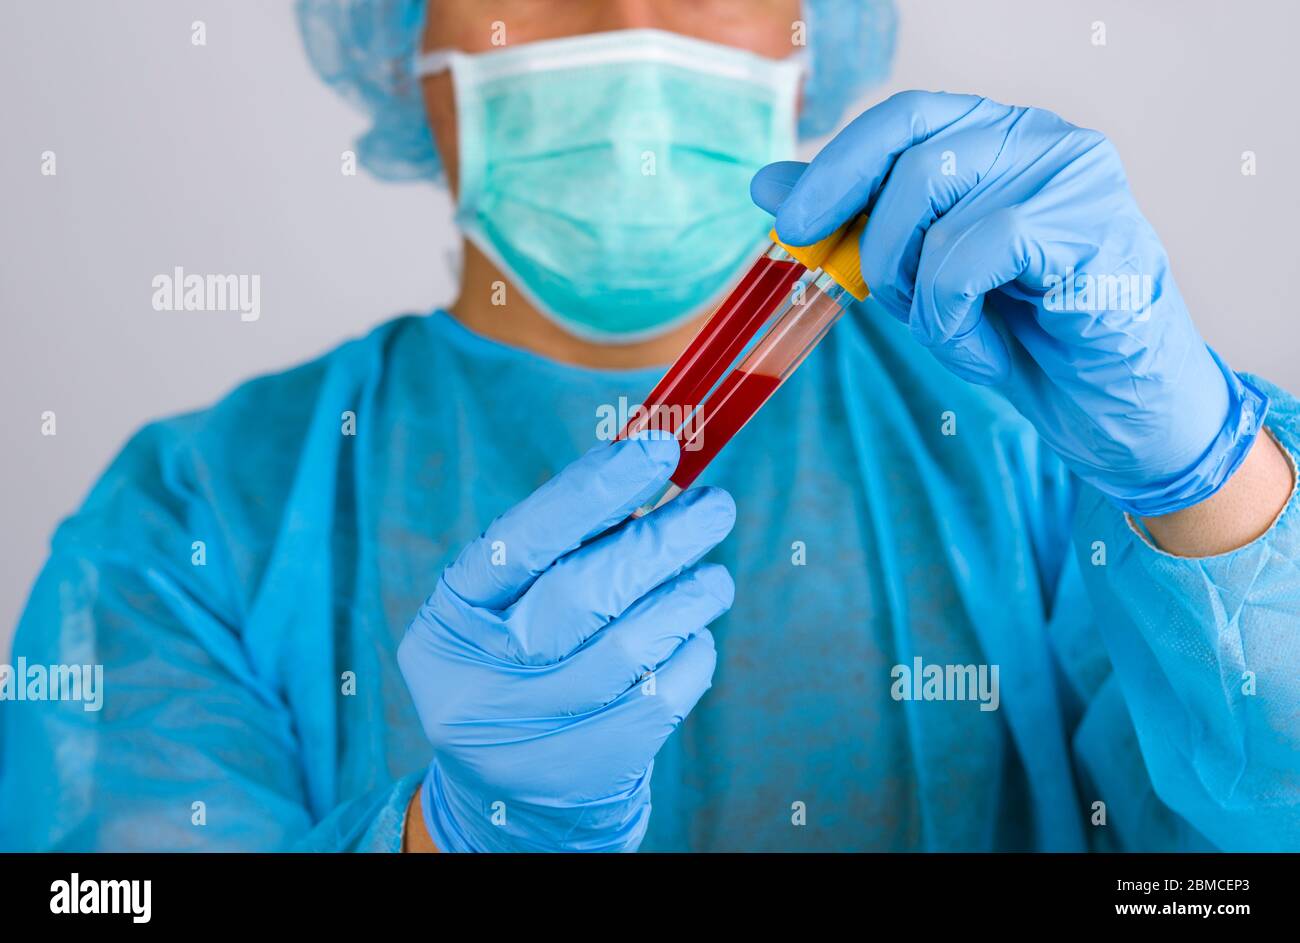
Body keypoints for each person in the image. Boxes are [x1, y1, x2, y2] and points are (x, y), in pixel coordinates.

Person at [2, 0, 1297, 853]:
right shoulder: (194, 525)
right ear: (406, 37)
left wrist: (1214, 490)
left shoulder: (1035, 443)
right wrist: (456, 840)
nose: (628, 13)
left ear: (808, 36)